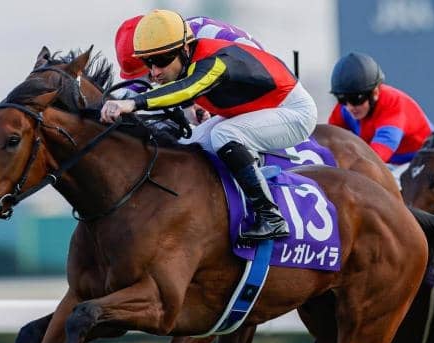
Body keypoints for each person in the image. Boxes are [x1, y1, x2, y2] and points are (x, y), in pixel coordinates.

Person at [101, 9, 317, 241]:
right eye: (149, 63)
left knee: (224, 134)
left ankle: (271, 217)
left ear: (185, 49)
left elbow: (186, 89)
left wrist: (133, 104)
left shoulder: (213, 61)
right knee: (186, 146)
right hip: (256, 110)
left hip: (294, 112)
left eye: (161, 61)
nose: (155, 72)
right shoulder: (186, 60)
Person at [114, 15, 264, 124]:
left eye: (159, 63)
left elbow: (255, 64)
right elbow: (124, 97)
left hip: (252, 87)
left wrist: (199, 99)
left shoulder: (206, 33)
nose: (155, 74)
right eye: (149, 68)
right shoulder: (157, 51)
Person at [328, 52, 434, 181]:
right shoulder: (344, 108)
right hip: (389, 163)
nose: (350, 107)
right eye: (342, 99)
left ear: (375, 93)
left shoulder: (393, 104)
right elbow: (328, 143)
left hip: (422, 160)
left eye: (356, 99)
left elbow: (376, 158)